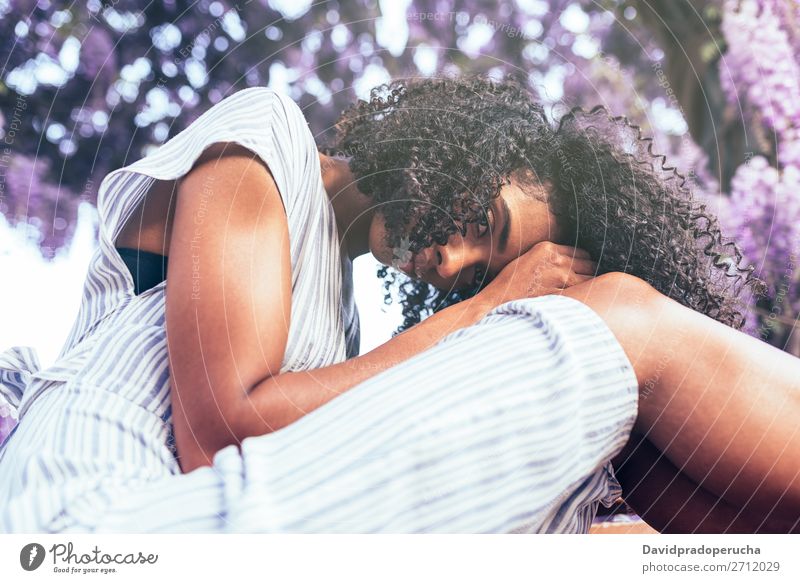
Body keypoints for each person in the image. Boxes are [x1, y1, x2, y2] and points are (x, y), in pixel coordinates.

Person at [0, 78, 797, 534]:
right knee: (619, 315)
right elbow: (219, 432)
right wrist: (488, 307)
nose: (452, 263)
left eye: (475, 274)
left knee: (600, 511)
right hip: (95, 523)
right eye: (484, 225)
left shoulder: (337, 333)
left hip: (200, 531)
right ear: (484, 145)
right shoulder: (265, 144)